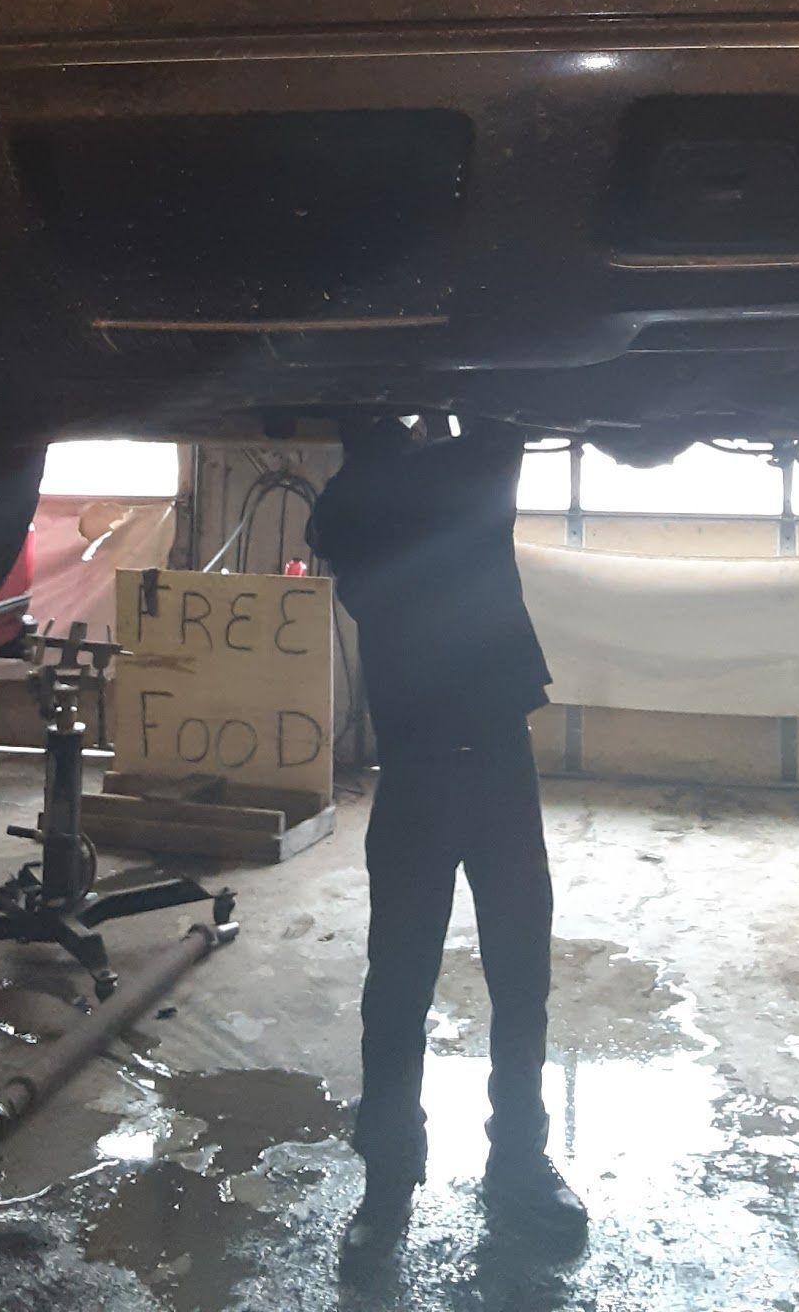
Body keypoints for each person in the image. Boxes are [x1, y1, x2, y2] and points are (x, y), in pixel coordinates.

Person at [306, 414, 588, 1267]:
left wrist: (400, 414)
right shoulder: (397, 526)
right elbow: (492, 437)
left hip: (467, 776)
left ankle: (495, 1163)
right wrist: (439, 403)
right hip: (459, 775)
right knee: (433, 987)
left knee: (450, 985)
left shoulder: (368, 533)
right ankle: (411, 1176)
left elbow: (471, 442)